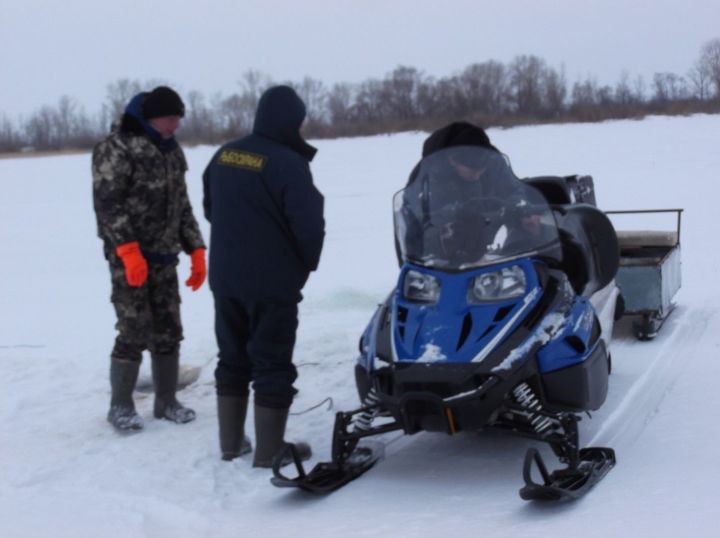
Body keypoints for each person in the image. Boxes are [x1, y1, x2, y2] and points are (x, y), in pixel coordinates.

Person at [202, 86, 325, 466]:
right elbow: (308, 226)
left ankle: (231, 444)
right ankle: (271, 450)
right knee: (272, 362)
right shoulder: (288, 162)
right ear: (290, 121)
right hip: (271, 284)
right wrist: (302, 265)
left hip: (225, 278)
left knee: (232, 357)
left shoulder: (224, 155)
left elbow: (209, 207)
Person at [92, 86, 207, 432]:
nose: (176, 125)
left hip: (164, 256)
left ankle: (167, 401)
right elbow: (108, 205)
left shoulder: (171, 151)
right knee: (133, 329)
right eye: (171, 118)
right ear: (152, 116)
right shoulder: (116, 148)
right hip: (129, 260)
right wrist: (127, 250)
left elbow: (182, 205)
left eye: (178, 118)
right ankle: (121, 406)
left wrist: (196, 249)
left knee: (169, 329)